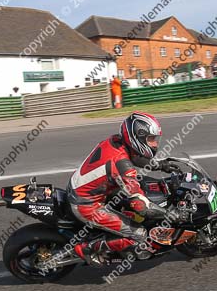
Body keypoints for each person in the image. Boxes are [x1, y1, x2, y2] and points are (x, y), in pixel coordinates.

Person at [68, 112, 179, 265]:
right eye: (151, 139)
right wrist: (170, 214)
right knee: (140, 234)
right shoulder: (122, 166)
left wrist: (160, 165)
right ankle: (87, 248)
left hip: (88, 189)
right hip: (86, 205)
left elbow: (134, 157)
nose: (155, 144)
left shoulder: (117, 141)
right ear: (137, 138)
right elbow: (141, 206)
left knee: (134, 193)